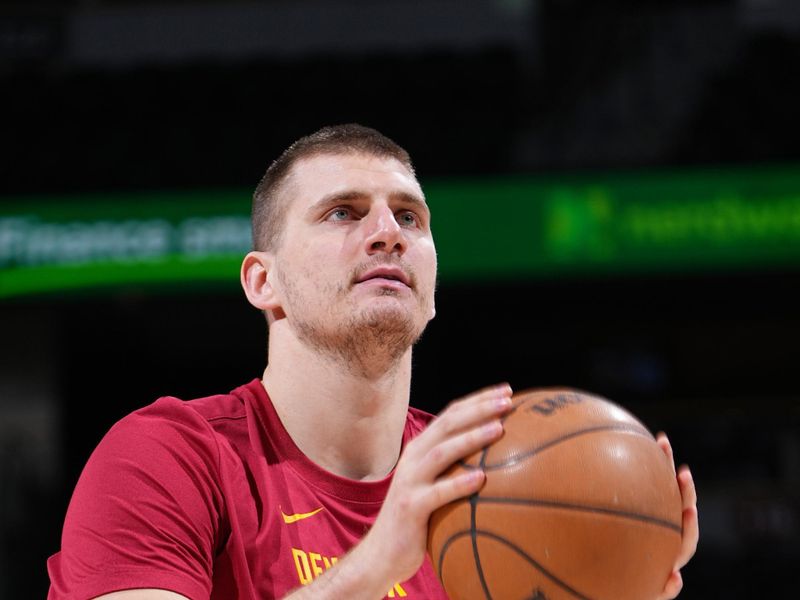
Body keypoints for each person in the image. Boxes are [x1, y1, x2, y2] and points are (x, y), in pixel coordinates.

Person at [47, 124, 698, 600]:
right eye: (342, 213)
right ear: (260, 282)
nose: (388, 232)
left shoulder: (489, 487)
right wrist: (375, 562)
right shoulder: (166, 458)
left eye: (410, 218)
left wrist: (617, 575)